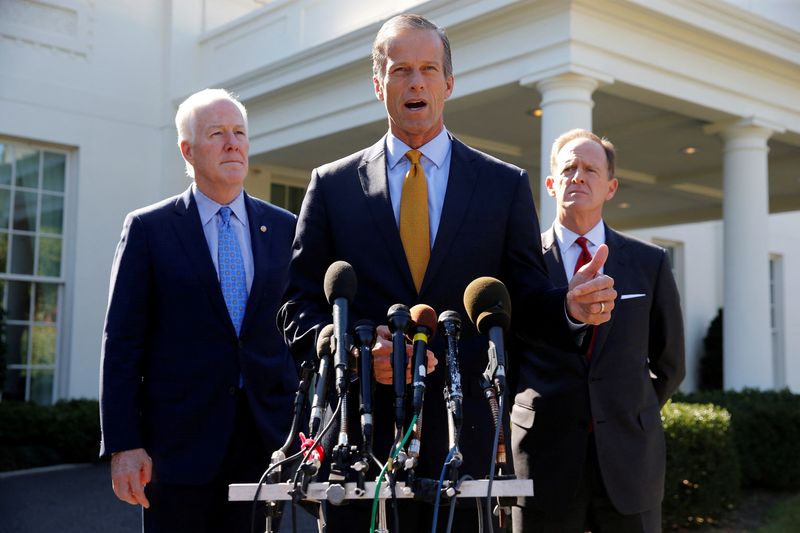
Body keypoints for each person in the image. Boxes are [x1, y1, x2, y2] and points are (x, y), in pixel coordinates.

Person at [278, 15, 615, 531]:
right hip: (357, 440)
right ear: (378, 85)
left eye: (428, 69)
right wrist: (356, 352)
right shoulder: (331, 186)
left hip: (464, 440)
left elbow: (522, 300)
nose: (415, 82)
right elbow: (297, 308)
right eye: (400, 70)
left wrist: (567, 307)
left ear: (449, 83)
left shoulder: (502, 186)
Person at [99, 88, 298, 532]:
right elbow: (122, 343)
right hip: (177, 449)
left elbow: (295, 330)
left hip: (265, 445)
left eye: (240, 133)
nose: (233, 143)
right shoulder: (149, 230)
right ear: (187, 150)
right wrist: (124, 445)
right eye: (217, 134)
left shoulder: (284, 228)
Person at [511, 129, 686, 533]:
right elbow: (506, 359)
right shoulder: (521, 264)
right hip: (543, 458)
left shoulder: (649, 263)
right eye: (569, 168)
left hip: (629, 460)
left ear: (611, 187)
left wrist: (625, 410)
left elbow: (669, 362)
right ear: (551, 184)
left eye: (591, 169)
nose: (579, 176)